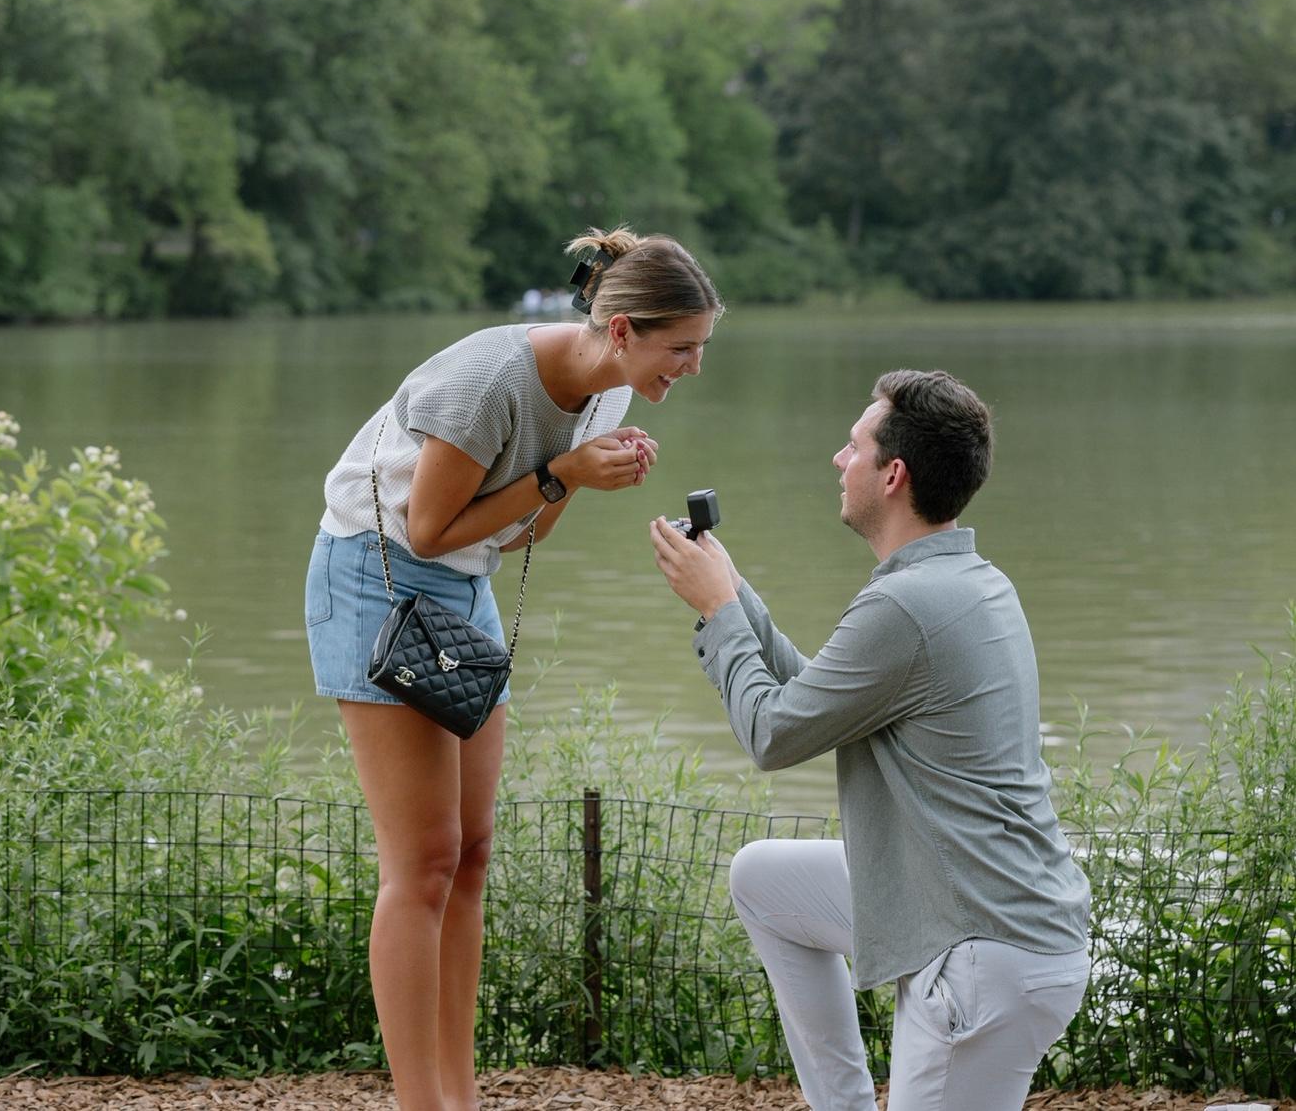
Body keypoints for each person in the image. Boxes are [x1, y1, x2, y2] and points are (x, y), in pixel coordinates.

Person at [307, 227, 723, 1111]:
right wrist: (562, 472)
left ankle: (459, 1096)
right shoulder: (490, 381)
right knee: (422, 862)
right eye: (682, 348)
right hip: (377, 574)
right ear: (623, 331)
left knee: (470, 853)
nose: (693, 366)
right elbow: (426, 530)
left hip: (465, 581)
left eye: (700, 348)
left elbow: (519, 534)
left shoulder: (609, 392)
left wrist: (581, 479)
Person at [649, 369, 1091, 1111]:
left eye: (853, 446)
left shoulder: (906, 605)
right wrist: (733, 594)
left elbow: (772, 734)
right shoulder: (969, 581)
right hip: (973, 910)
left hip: (985, 952)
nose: (838, 458)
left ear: (893, 475)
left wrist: (721, 613)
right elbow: (814, 701)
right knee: (764, 881)